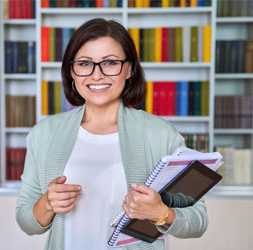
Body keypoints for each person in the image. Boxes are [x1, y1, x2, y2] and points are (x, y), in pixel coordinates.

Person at [16, 18, 208, 250]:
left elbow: (198, 221)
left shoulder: (161, 135)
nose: (97, 75)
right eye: (85, 64)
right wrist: (47, 203)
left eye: (110, 63)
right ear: (71, 72)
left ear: (128, 70)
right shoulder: (44, 133)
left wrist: (160, 212)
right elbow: (27, 222)